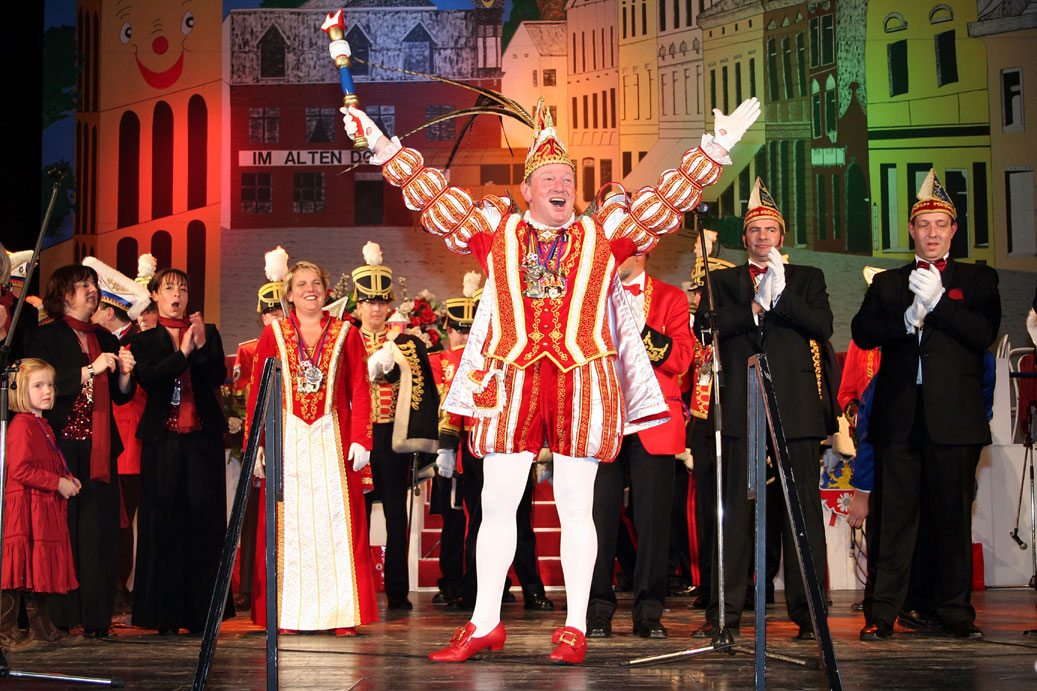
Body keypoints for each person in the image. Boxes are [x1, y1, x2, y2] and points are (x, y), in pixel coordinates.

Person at [342, 78, 760, 662]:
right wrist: (384, 149)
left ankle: (576, 626)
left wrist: (714, 150)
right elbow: (435, 199)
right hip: (512, 382)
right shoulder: (499, 232)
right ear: (527, 189)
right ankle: (485, 621)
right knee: (496, 504)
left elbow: (666, 205)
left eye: (568, 180)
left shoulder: (603, 234)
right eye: (549, 180)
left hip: (581, 382)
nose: (561, 186)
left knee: (577, 506)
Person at [851, 169, 1000, 641]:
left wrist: (938, 304)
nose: (932, 233)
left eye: (941, 225)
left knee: (952, 521)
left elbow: (983, 334)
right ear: (911, 231)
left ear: (953, 231)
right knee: (893, 523)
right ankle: (881, 613)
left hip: (953, 421)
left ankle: (955, 612)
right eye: (924, 225)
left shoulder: (978, 279)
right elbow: (862, 332)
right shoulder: (889, 284)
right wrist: (906, 319)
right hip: (901, 418)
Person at [692, 178, 832, 642]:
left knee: (802, 513)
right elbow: (704, 326)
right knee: (736, 513)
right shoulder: (723, 280)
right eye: (754, 231)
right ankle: (725, 617)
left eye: (770, 229)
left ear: (782, 235)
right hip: (739, 409)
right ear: (745, 237)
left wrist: (781, 294)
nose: (762, 237)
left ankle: (810, 614)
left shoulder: (808, 277)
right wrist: (755, 306)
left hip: (794, 411)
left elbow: (822, 325)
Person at [245, 260, 378, 634]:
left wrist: (360, 439)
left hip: (331, 443)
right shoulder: (274, 334)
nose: (310, 289)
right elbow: (259, 391)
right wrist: (256, 444)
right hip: (288, 442)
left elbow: (358, 390)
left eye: (316, 282)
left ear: (326, 290)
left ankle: (341, 614)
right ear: (289, 294)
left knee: (336, 526)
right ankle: (287, 614)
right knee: (291, 527)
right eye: (301, 284)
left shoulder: (346, 333)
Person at [26, 264, 136, 638]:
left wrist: (123, 373)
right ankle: (62, 617)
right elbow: (44, 385)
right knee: (64, 533)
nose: (92, 290)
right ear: (64, 293)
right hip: (60, 447)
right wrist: (91, 370)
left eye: (93, 284)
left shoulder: (105, 337)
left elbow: (122, 395)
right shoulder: (46, 337)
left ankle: (97, 618)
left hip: (99, 448)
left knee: (100, 536)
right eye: (83, 285)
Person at [587, 252, 693, 639]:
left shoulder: (670, 298)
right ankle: (597, 609)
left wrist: (637, 330)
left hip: (654, 421)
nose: (620, 255)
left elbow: (682, 358)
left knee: (652, 522)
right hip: (604, 419)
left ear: (646, 250)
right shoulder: (589, 296)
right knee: (598, 521)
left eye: (629, 246)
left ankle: (649, 612)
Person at [129, 268, 230, 635]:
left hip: (201, 440)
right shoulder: (144, 340)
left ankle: (202, 614)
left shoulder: (208, 332)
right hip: (163, 440)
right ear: (155, 294)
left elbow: (217, 377)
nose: (177, 294)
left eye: (184, 289)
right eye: (169, 288)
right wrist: (183, 353)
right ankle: (163, 616)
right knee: (163, 524)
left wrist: (200, 348)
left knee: (203, 522)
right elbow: (151, 379)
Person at [354, 243, 440, 611]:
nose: (375, 309)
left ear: (388, 305)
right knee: (352, 511)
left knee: (394, 513)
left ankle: (396, 590)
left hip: (391, 437)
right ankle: (354, 588)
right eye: (368, 302)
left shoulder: (406, 344)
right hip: (356, 437)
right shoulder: (345, 341)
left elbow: (423, 391)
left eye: (380, 302)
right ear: (357, 305)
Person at [82, 256, 151, 611]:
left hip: (127, 445)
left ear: (109, 313)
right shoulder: (116, 339)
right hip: (112, 443)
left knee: (124, 520)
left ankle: (123, 587)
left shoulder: (132, 342)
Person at [1, 359, 80, 650]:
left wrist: (67, 477)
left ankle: (41, 629)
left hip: (39, 508)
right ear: (21, 390)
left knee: (34, 569)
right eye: (38, 386)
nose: (48, 391)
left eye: (50, 384)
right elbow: (20, 469)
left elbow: (46, 462)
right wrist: (56, 483)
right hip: (23, 508)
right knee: (16, 569)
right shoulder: (22, 425)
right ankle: (6, 633)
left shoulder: (41, 423)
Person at [232, 247, 288, 607]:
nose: (273, 315)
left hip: (295, 430)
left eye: (278, 308)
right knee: (257, 514)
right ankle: (252, 589)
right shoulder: (249, 349)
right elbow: (240, 395)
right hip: (263, 432)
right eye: (268, 310)